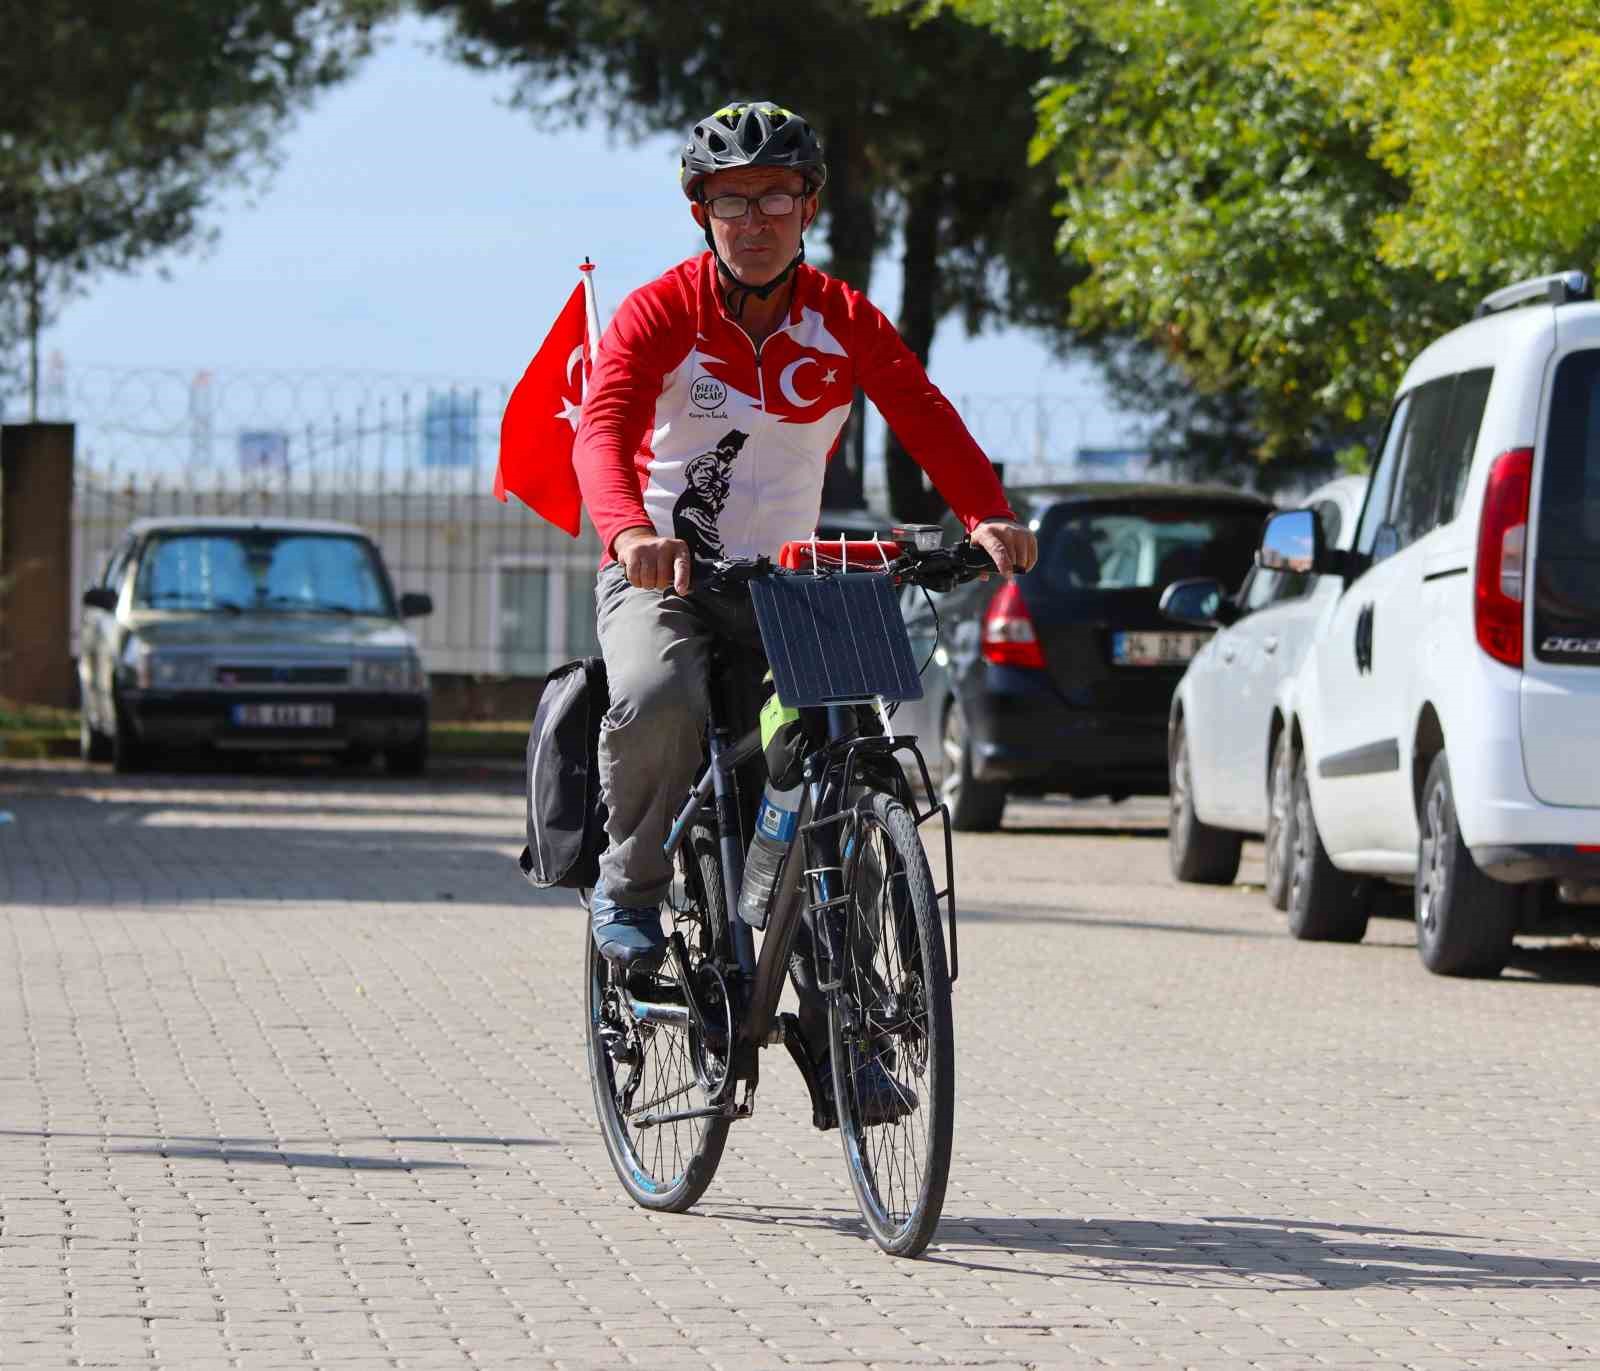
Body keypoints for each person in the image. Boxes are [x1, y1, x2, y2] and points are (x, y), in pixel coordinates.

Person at [573, 99, 1037, 979]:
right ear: (701, 213)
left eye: (776, 198)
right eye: (732, 202)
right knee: (657, 692)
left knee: (849, 751)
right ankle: (629, 886)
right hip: (666, 575)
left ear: (809, 207)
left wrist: (984, 511)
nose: (755, 222)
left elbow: (924, 414)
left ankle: (848, 1005)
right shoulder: (659, 311)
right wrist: (630, 531)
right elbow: (600, 430)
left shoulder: (843, 316)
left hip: (794, 581)